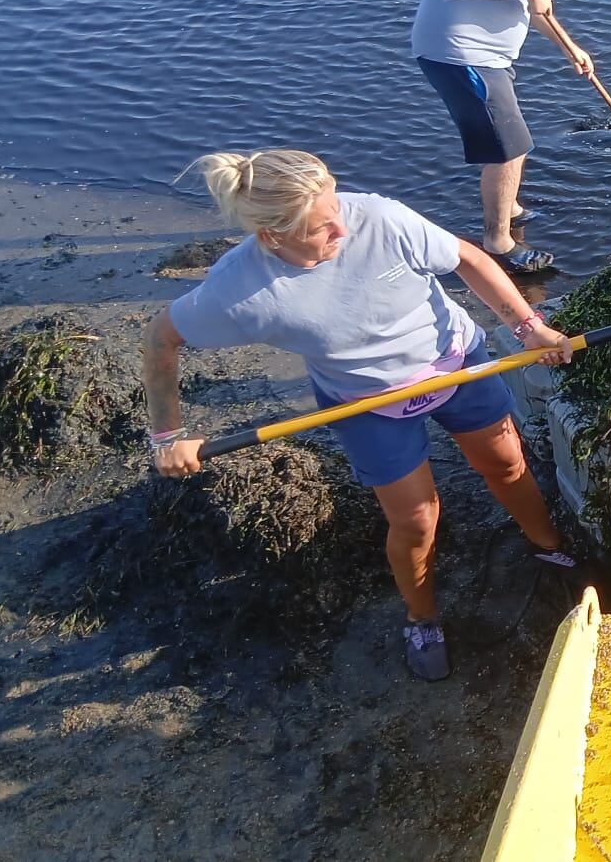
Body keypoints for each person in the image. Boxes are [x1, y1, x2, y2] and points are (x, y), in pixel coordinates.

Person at [141, 149, 582, 682]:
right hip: (367, 402)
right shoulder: (239, 291)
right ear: (272, 236)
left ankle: (549, 547)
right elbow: (160, 338)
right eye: (321, 228)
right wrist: (168, 435)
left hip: (455, 364)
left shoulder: (378, 216)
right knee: (417, 519)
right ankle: (422, 619)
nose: (343, 229)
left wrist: (529, 327)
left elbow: (468, 257)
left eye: (337, 208)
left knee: (507, 463)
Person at [410, 0, 592, 274]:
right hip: (465, 53)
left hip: (470, 53)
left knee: (511, 140)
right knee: (509, 148)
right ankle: (499, 244)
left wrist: (571, 49)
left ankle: (508, 208)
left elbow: (527, 4)